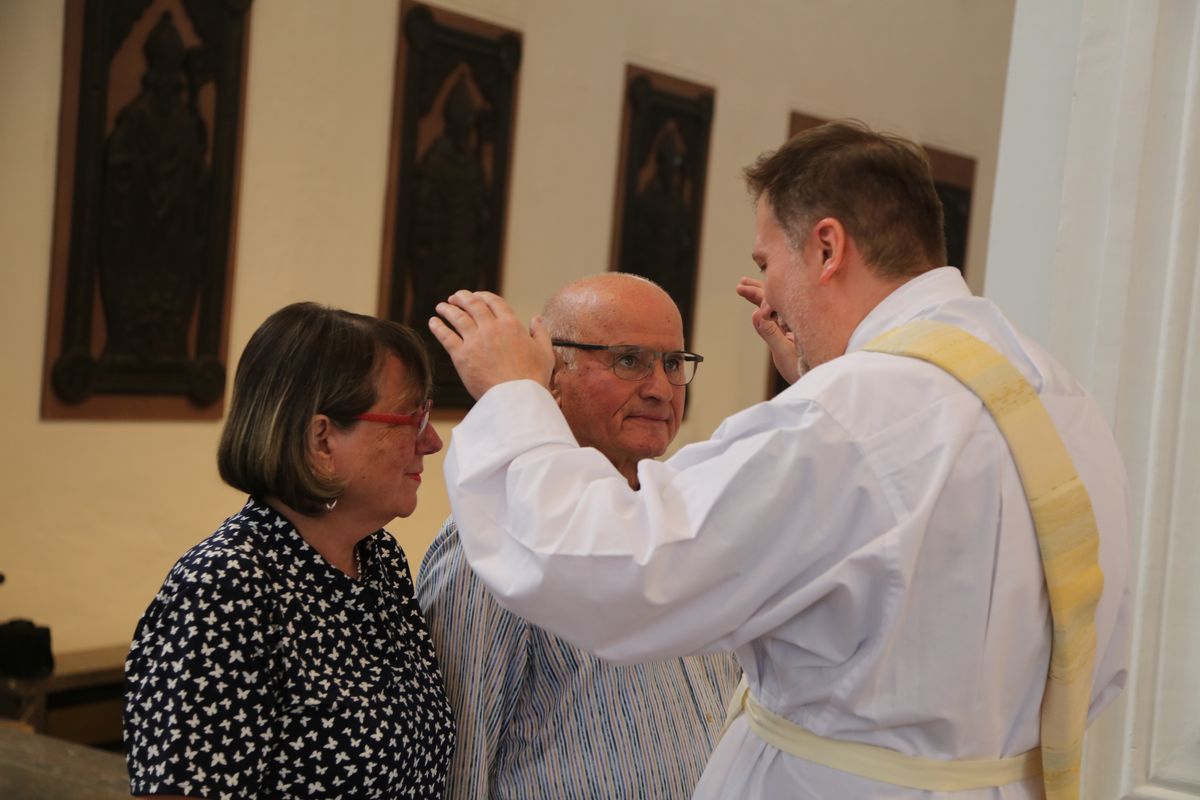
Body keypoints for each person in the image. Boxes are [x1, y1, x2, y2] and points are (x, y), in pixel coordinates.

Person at [427, 120, 1130, 799]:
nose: (769, 296)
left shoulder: (848, 417)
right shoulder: (1050, 393)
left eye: (768, 262)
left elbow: (618, 572)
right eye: (629, 360)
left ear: (826, 247)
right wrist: (822, 384)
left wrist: (514, 396)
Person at [417, 273, 741, 799]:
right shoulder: (498, 532)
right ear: (550, 376)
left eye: (673, 363)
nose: (660, 389)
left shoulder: (683, 512)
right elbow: (462, 751)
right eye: (629, 360)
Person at [124, 303, 455, 799]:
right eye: (412, 417)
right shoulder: (225, 586)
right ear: (322, 439)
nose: (431, 441)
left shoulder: (379, 560)